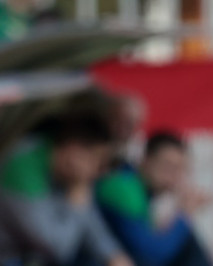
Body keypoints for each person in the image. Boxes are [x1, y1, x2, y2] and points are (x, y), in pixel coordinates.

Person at [0, 113, 133, 266]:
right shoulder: (22, 168)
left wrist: (114, 255)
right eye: (99, 162)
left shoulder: (66, 173)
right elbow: (56, 248)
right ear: (74, 150)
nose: (100, 172)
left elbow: (93, 225)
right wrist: (76, 207)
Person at [96, 132, 213, 266]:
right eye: (168, 165)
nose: (174, 175)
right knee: (188, 243)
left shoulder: (142, 192)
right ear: (145, 160)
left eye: (181, 169)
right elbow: (150, 254)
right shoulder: (122, 186)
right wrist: (184, 215)